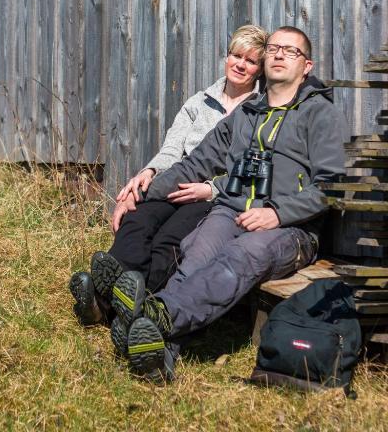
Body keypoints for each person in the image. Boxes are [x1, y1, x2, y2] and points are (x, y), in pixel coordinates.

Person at [98, 26, 347, 381]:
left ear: (306, 65)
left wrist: (277, 213)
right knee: (195, 255)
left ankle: (156, 317)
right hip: (230, 211)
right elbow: (194, 164)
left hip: (291, 229)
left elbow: (332, 185)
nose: (278, 54)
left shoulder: (319, 114)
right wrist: (139, 193)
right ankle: (159, 351)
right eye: (274, 48)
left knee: (240, 257)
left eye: (290, 51)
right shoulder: (245, 115)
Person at [69, 25, 268, 326]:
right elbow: (172, 150)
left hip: (213, 197)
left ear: (259, 70)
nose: (240, 64)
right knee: (138, 216)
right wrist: (149, 173)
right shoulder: (199, 103)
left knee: (172, 237)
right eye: (235, 55)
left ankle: (112, 301)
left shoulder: (260, 112)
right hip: (178, 177)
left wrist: (211, 190)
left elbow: (252, 171)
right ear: (226, 57)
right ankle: (112, 297)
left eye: (250, 61)